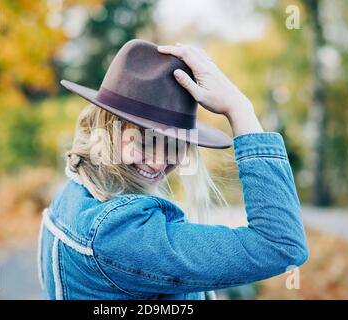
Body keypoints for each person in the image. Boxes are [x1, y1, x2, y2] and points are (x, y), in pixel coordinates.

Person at [37, 39, 309, 300]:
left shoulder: (75, 194)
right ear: (105, 128)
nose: (157, 162)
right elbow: (281, 245)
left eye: (175, 146)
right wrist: (240, 108)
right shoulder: (123, 234)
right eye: (143, 141)